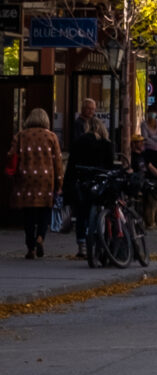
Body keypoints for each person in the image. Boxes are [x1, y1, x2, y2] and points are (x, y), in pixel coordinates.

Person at [7, 106, 63, 257]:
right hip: (46, 178)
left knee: (29, 213)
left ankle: (30, 246)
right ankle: (40, 238)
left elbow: (12, 155)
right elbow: (57, 161)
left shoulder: (20, 136)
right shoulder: (51, 137)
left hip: (26, 177)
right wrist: (59, 184)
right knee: (45, 210)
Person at [65, 99, 114, 253]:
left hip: (82, 180)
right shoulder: (106, 144)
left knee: (82, 212)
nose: (91, 111)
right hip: (99, 182)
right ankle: (98, 240)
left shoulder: (80, 142)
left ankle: (81, 244)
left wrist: (68, 184)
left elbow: (72, 163)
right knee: (100, 211)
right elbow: (109, 165)